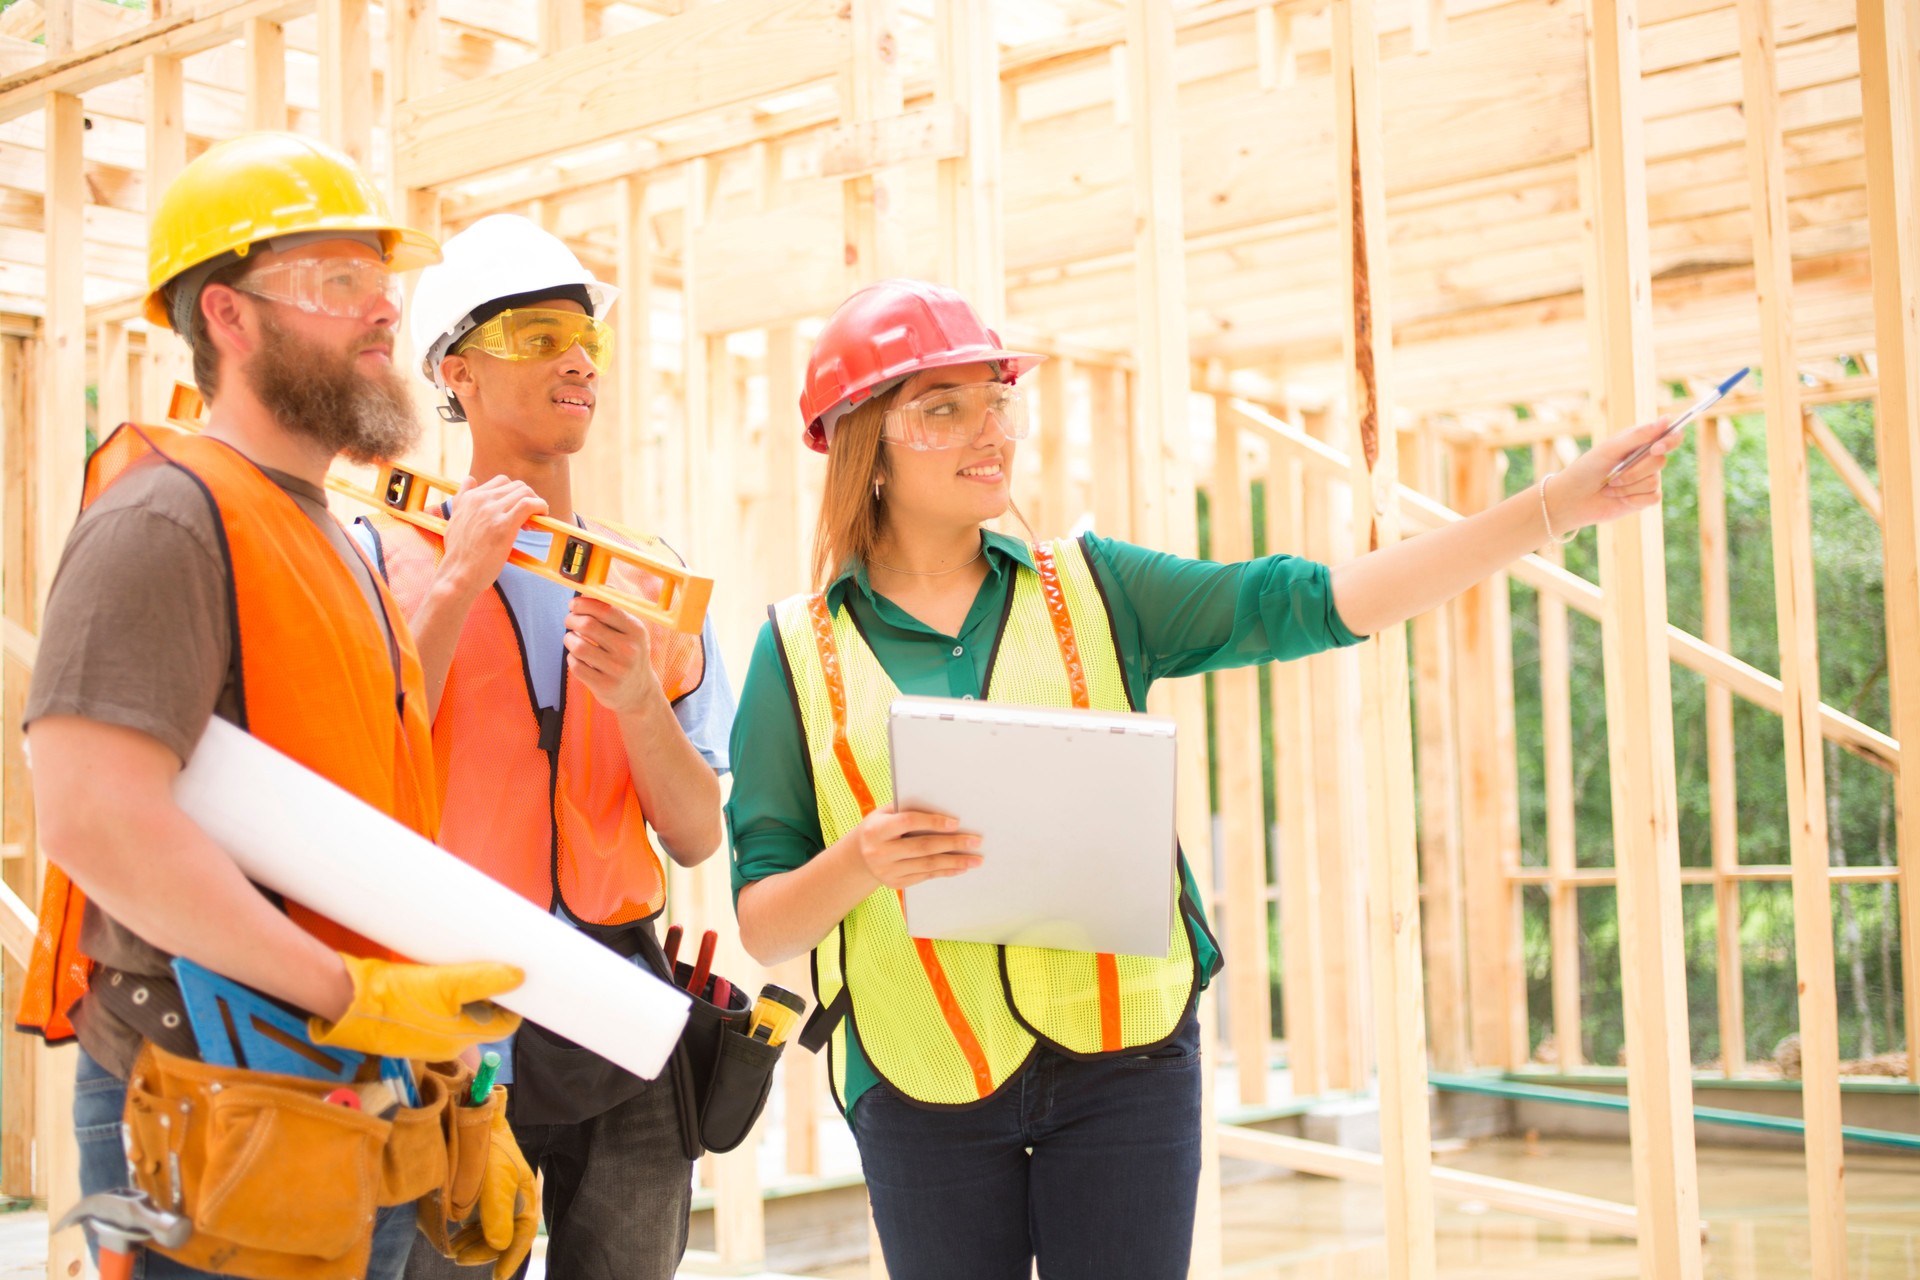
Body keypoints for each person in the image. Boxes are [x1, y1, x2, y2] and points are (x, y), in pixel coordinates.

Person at [724, 278, 1679, 1279]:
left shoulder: (1094, 586)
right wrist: (863, 859)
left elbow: (1323, 602)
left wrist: (1551, 508)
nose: (990, 429)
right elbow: (768, 923)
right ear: (862, 442)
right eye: (943, 406)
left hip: (1126, 1066)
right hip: (920, 1082)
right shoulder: (795, 654)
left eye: (996, 397)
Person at [17, 132, 535, 1279]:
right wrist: (353, 993)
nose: (381, 312)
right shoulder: (166, 517)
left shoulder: (329, 531)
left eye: (379, 281)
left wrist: (438, 1077)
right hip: (214, 1107)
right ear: (230, 316)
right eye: (335, 280)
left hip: (346, 1093)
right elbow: (94, 818)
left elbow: (371, 766)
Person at [352, 214, 736, 1280]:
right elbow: (357, 765)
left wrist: (637, 702)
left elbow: (699, 834)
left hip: (620, 1007)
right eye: (537, 334)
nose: (575, 358)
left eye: (586, 338)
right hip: (452, 1012)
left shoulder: (654, 584)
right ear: (457, 372)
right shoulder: (382, 555)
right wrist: (461, 579)